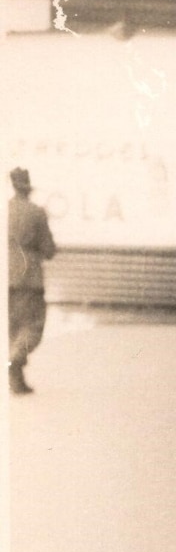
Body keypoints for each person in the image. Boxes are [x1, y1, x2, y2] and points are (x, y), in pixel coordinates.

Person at [7, 167, 56, 395]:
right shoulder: (36, 212)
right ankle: (14, 362)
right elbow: (48, 250)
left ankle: (16, 379)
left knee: (11, 328)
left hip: (6, 277)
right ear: (28, 187)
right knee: (33, 327)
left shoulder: (5, 210)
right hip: (29, 279)